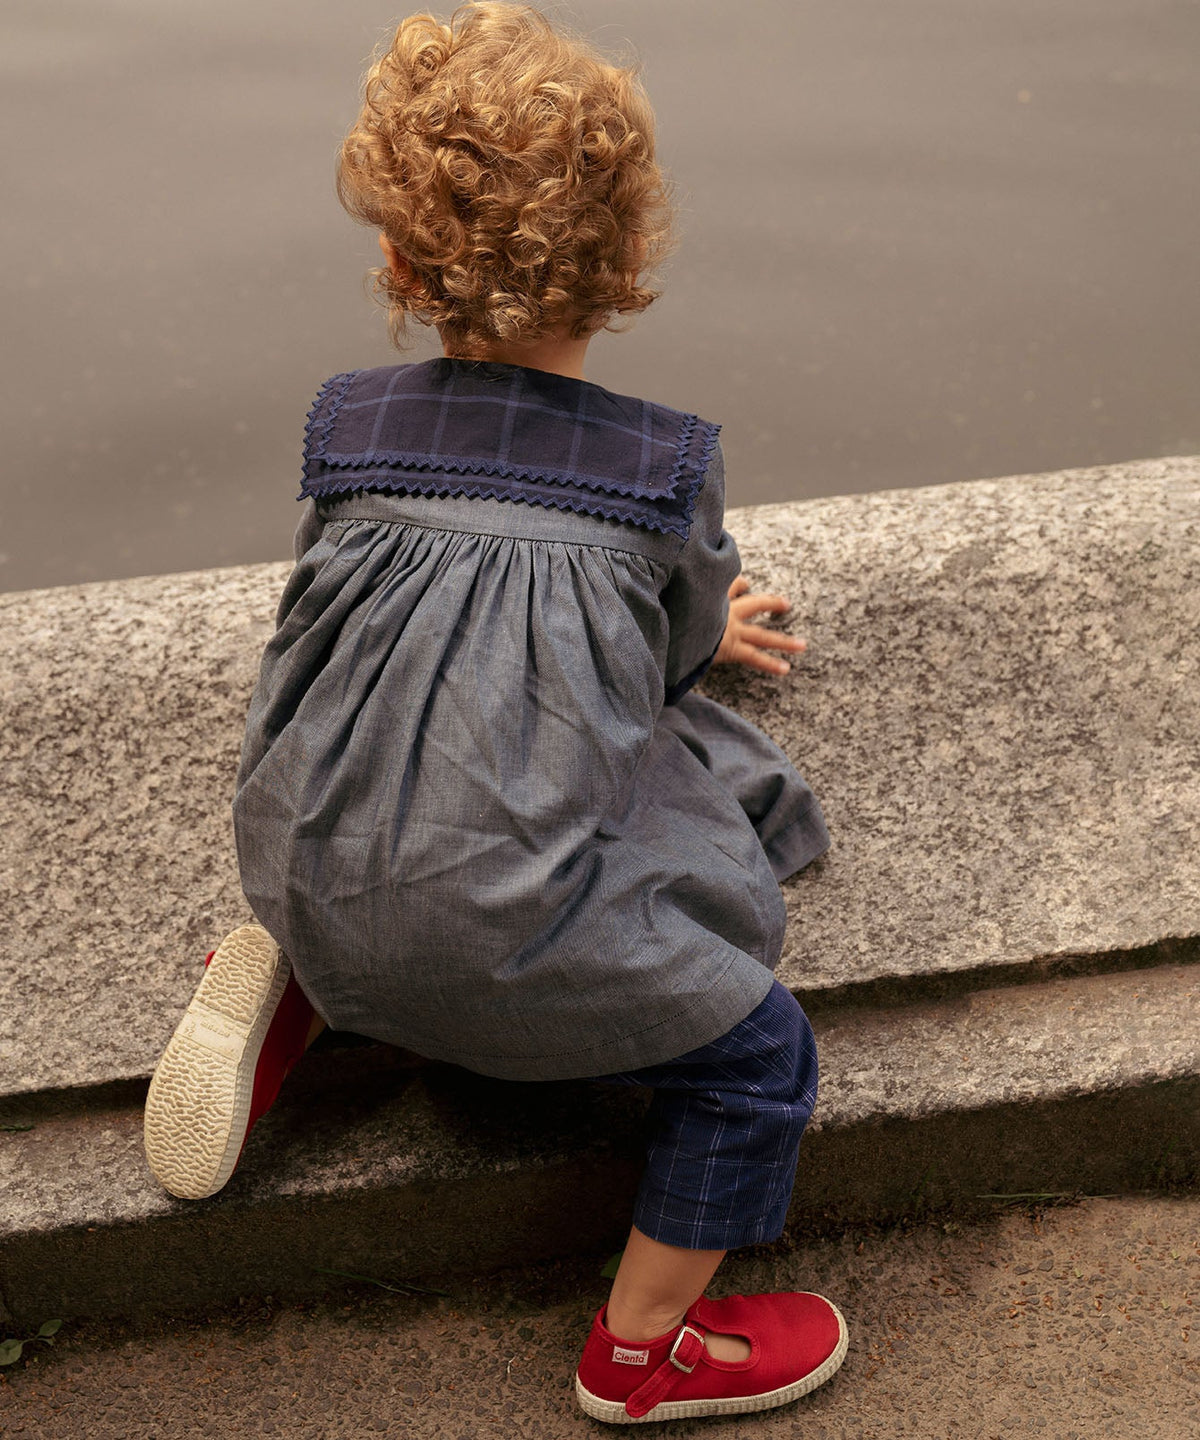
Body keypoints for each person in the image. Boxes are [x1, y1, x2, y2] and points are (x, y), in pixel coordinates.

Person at [143, 2, 847, 1422]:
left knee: (398, 847)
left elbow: (337, 635)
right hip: (510, 947)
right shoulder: (661, 475)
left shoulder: (349, 432)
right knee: (765, 1055)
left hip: (315, 855)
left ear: (400, 263)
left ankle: (315, 985)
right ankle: (643, 1352)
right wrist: (713, 621)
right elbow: (653, 656)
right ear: (635, 258)